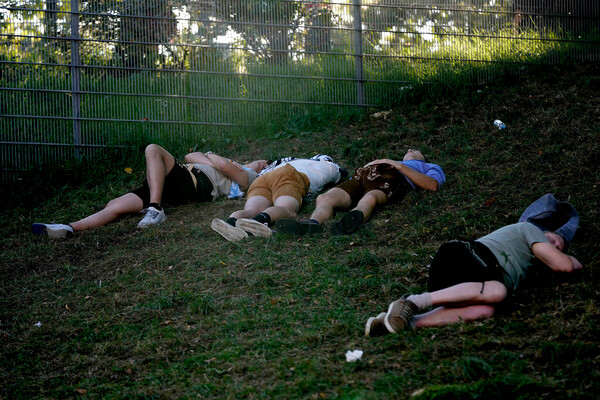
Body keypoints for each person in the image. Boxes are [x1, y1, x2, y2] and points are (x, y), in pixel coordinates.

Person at [364, 222, 583, 337]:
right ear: (545, 232)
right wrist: (567, 258)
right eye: (553, 240)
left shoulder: (531, 267)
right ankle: (412, 302)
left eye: (559, 248)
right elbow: (564, 266)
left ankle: (403, 322)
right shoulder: (529, 229)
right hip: (464, 255)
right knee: (497, 290)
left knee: (485, 310)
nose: (555, 246)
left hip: (467, 283)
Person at [32, 144, 268, 238]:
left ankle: (155, 209)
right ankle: (70, 227)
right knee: (116, 205)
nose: (261, 162)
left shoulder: (250, 175)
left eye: (264, 164)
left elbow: (223, 166)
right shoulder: (229, 163)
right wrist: (213, 159)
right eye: (260, 161)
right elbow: (190, 156)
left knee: (153, 149)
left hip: (194, 183)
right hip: (169, 184)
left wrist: (214, 158)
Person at [275, 148, 445, 235]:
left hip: (391, 176)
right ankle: (313, 223)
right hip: (361, 175)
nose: (409, 150)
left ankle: (351, 220)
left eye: (414, 151)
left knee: (370, 198)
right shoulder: (393, 160)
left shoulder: (428, 166)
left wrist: (397, 165)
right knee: (324, 198)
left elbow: (433, 185)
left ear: (423, 158)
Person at [211, 155, 345, 241]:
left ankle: (230, 222)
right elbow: (340, 174)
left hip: (262, 178)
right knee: (286, 209)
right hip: (288, 175)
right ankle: (259, 221)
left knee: (251, 210)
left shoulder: (282, 161)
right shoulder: (328, 165)